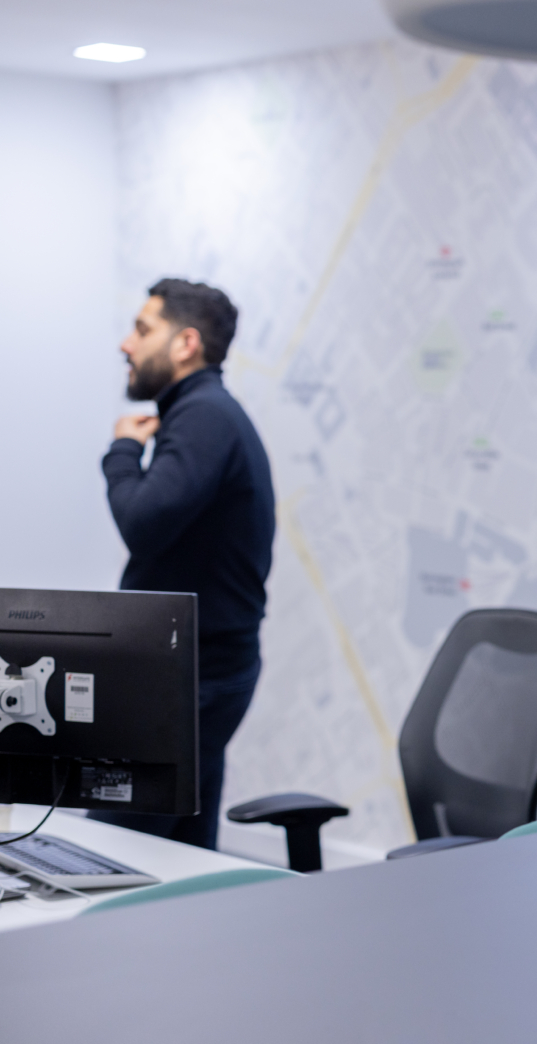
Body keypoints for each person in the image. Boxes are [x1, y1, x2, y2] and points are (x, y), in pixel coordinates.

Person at [91, 279, 275, 849]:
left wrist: (123, 451)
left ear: (185, 343)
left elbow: (143, 526)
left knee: (113, 858)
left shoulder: (203, 419)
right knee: (184, 853)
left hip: (194, 680)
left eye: (143, 330)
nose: (126, 344)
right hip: (196, 672)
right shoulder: (200, 415)